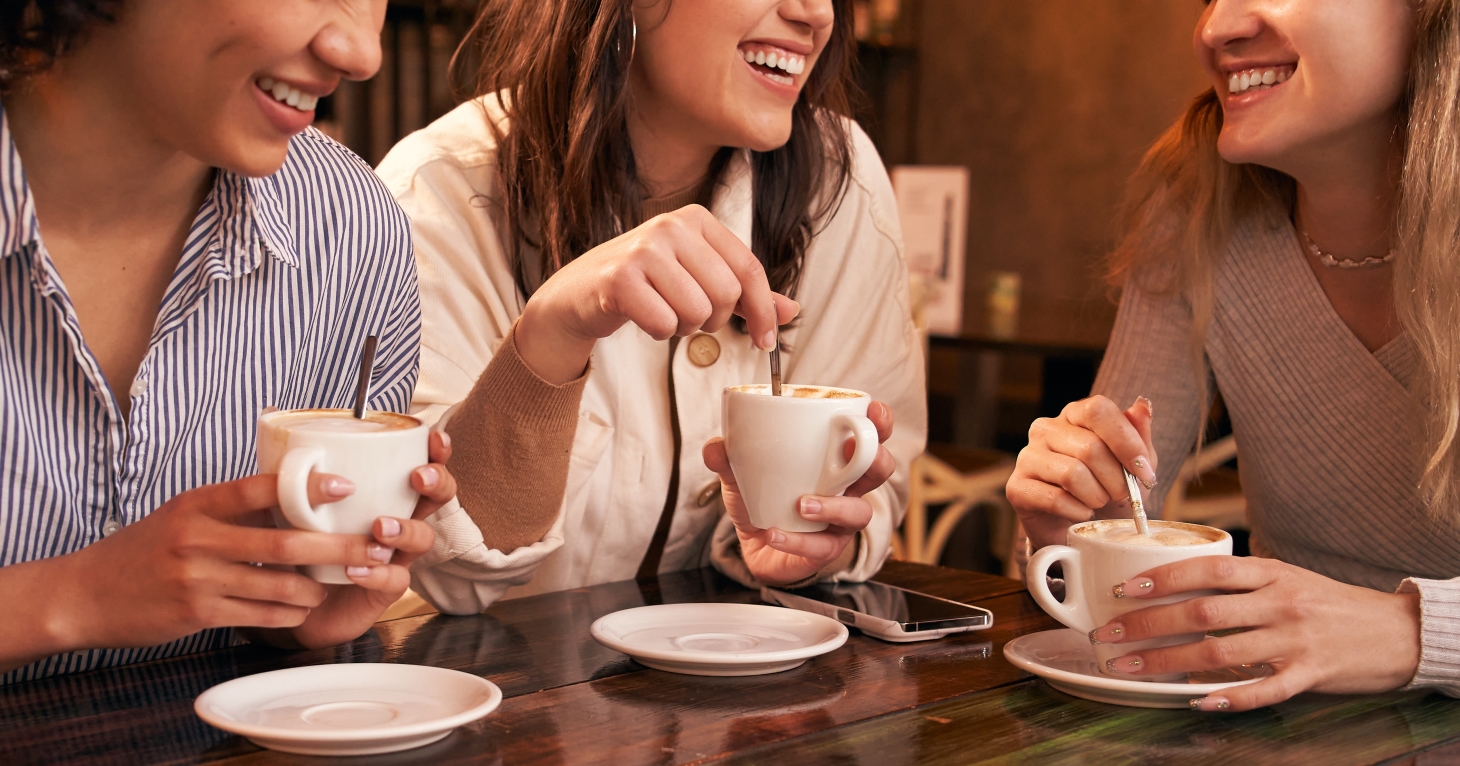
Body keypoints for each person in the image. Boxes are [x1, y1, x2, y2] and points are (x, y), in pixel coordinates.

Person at [377, 0, 925, 611]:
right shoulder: (437, 193)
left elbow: (871, 480)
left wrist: (806, 544)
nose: (815, 13)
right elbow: (448, 568)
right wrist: (555, 331)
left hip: (734, 660)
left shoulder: (838, 178)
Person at [1006, 0, 1460, 711]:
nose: (1215, 29)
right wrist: (1081, 530)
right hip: (1290, 732)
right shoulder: (1195, 207)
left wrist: (1408, 631)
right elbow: (1101, 562)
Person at [0, 0, 456, 682]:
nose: (364, 54)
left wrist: (290, 609)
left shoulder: (348, 226)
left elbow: (277, 625)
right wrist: (76, 597)